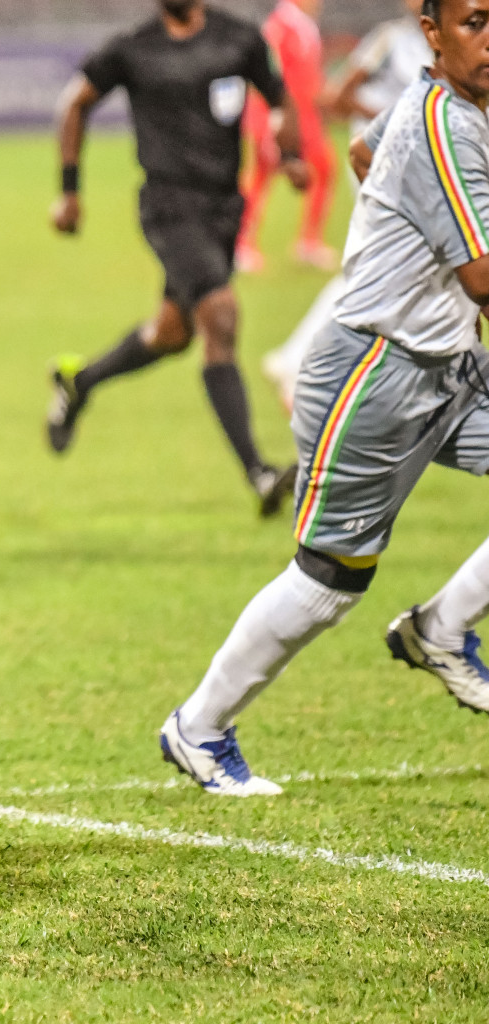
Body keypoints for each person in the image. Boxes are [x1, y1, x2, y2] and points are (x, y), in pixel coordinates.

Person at [160, 0, 489, 798]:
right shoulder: (447, 122)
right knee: (330, 581)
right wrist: (419, 265)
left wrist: (399, 238)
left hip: (447, 362)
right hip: (375, 373)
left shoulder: (444, 107)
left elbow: (363, 152)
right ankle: (198, 727)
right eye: (476, 20)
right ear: (432, 30)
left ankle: (442, 627)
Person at [45, 0, 312, 518]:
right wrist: (70, 192)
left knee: (172, 332)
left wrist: (294, 155)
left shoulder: (239, 38)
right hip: (169, 206)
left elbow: (280, 99)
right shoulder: (133, 47)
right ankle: (258, 472)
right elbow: (74, 104)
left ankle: (79, 383)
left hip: (223, 208)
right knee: (221, 317)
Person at [261, 0, 432, 412]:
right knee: (392, 266)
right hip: (381, 166)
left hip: (427, 171)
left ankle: (307, 361)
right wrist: (392, 116)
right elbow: (338, 98)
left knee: (396, 268)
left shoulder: (450, 43)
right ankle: (304, 361)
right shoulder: (391, 41)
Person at [237, 0, 336, 273]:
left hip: (304, 116)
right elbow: (267, 76)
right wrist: (273, 120)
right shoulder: (279, 26)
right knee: (260, 177)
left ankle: (308, 241)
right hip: (282, 116)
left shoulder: (301, 25)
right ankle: (243, 246)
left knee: (323, 170)